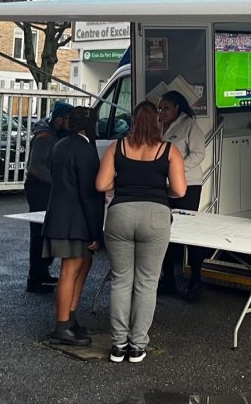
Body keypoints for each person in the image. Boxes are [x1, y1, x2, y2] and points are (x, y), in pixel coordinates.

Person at [96, 101, 186, 363]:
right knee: (147, 282)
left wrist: (122, 183)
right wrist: (160, 191)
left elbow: (101, 184)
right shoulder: (169, 150)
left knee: (121, 280)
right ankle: (137, 346)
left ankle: (118, 345)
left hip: (120, 214)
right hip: (156, 216)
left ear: (133, 121)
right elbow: (180, 191)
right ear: (157, 122)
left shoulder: (118, 147)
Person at [41, 107, 103, 346]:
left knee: (83, 263)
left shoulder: (61, 145)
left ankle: (71, 319)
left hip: (59, 215)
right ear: (89, 126)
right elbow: (89, 194)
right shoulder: (86, 149)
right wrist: (95, 231)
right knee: (71, 268)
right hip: (75, 219)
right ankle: (62, 326)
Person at [156, 90, 206, 299]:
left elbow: (198, 153)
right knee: (165, 231)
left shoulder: (189, 125)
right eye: (160, 108)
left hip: (188, 184)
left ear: (177, 107)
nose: (162, 112)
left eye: (166, 108)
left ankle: (196, 278)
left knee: (188, 230)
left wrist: (176, 168)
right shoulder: (158, 126)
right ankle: (169, 279)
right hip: (164, 184)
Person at [24, 101, 73, 293]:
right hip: (40, 191)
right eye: (69, 119)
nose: (72, 124)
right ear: (60, 119)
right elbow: (35, 168)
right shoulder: (45, 137)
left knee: (45, 233)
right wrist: (58, 182)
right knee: (39, 234)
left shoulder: (52, 134)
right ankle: (35, 278)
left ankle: (41, 273)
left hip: (45, 189)